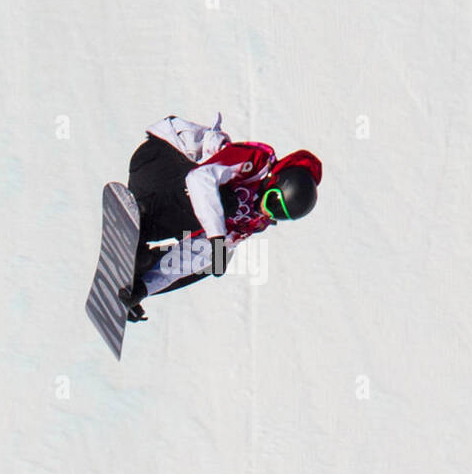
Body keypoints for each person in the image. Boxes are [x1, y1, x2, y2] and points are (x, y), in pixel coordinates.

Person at [121, 113, 322, 321]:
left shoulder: (252, 221)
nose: (267, 211)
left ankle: (140, 275)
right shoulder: (255, 161)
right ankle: (145, 218)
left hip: (169, 202)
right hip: (159, 161)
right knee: (224, 206)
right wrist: (217, 237)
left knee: (214, 261)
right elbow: (199, 179)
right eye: (273, 202)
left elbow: (202, 253)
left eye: (279, 215)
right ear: (273, 180)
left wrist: (146, 288)